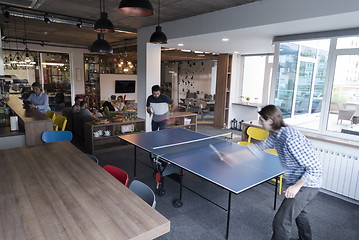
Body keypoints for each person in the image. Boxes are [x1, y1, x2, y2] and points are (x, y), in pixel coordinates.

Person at [255, 105, 322, 240]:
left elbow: (315, 168)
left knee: (281, 222)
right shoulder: (276, 133)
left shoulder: (291, 139)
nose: (259, 123)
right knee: (300, 214)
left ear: (270, 121)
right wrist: (237, 154)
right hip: (296, 181)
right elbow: (262, 146)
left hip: (307, 184)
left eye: (261, 120)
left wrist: (296, 186)